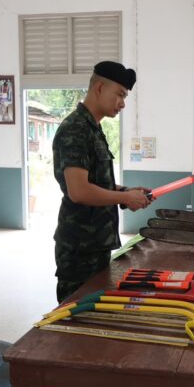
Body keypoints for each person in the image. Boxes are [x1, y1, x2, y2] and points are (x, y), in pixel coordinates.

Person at [52, 61, 151, 303]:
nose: (122, 103)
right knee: (76, 312)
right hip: (79, 247)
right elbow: (79, 191)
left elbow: (95, 182)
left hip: (95, 243)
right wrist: (125, 197)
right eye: (120, 94)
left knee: (96, 309)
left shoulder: (93, 129)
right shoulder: (75, 129)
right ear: (99, 88)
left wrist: (126, 191)